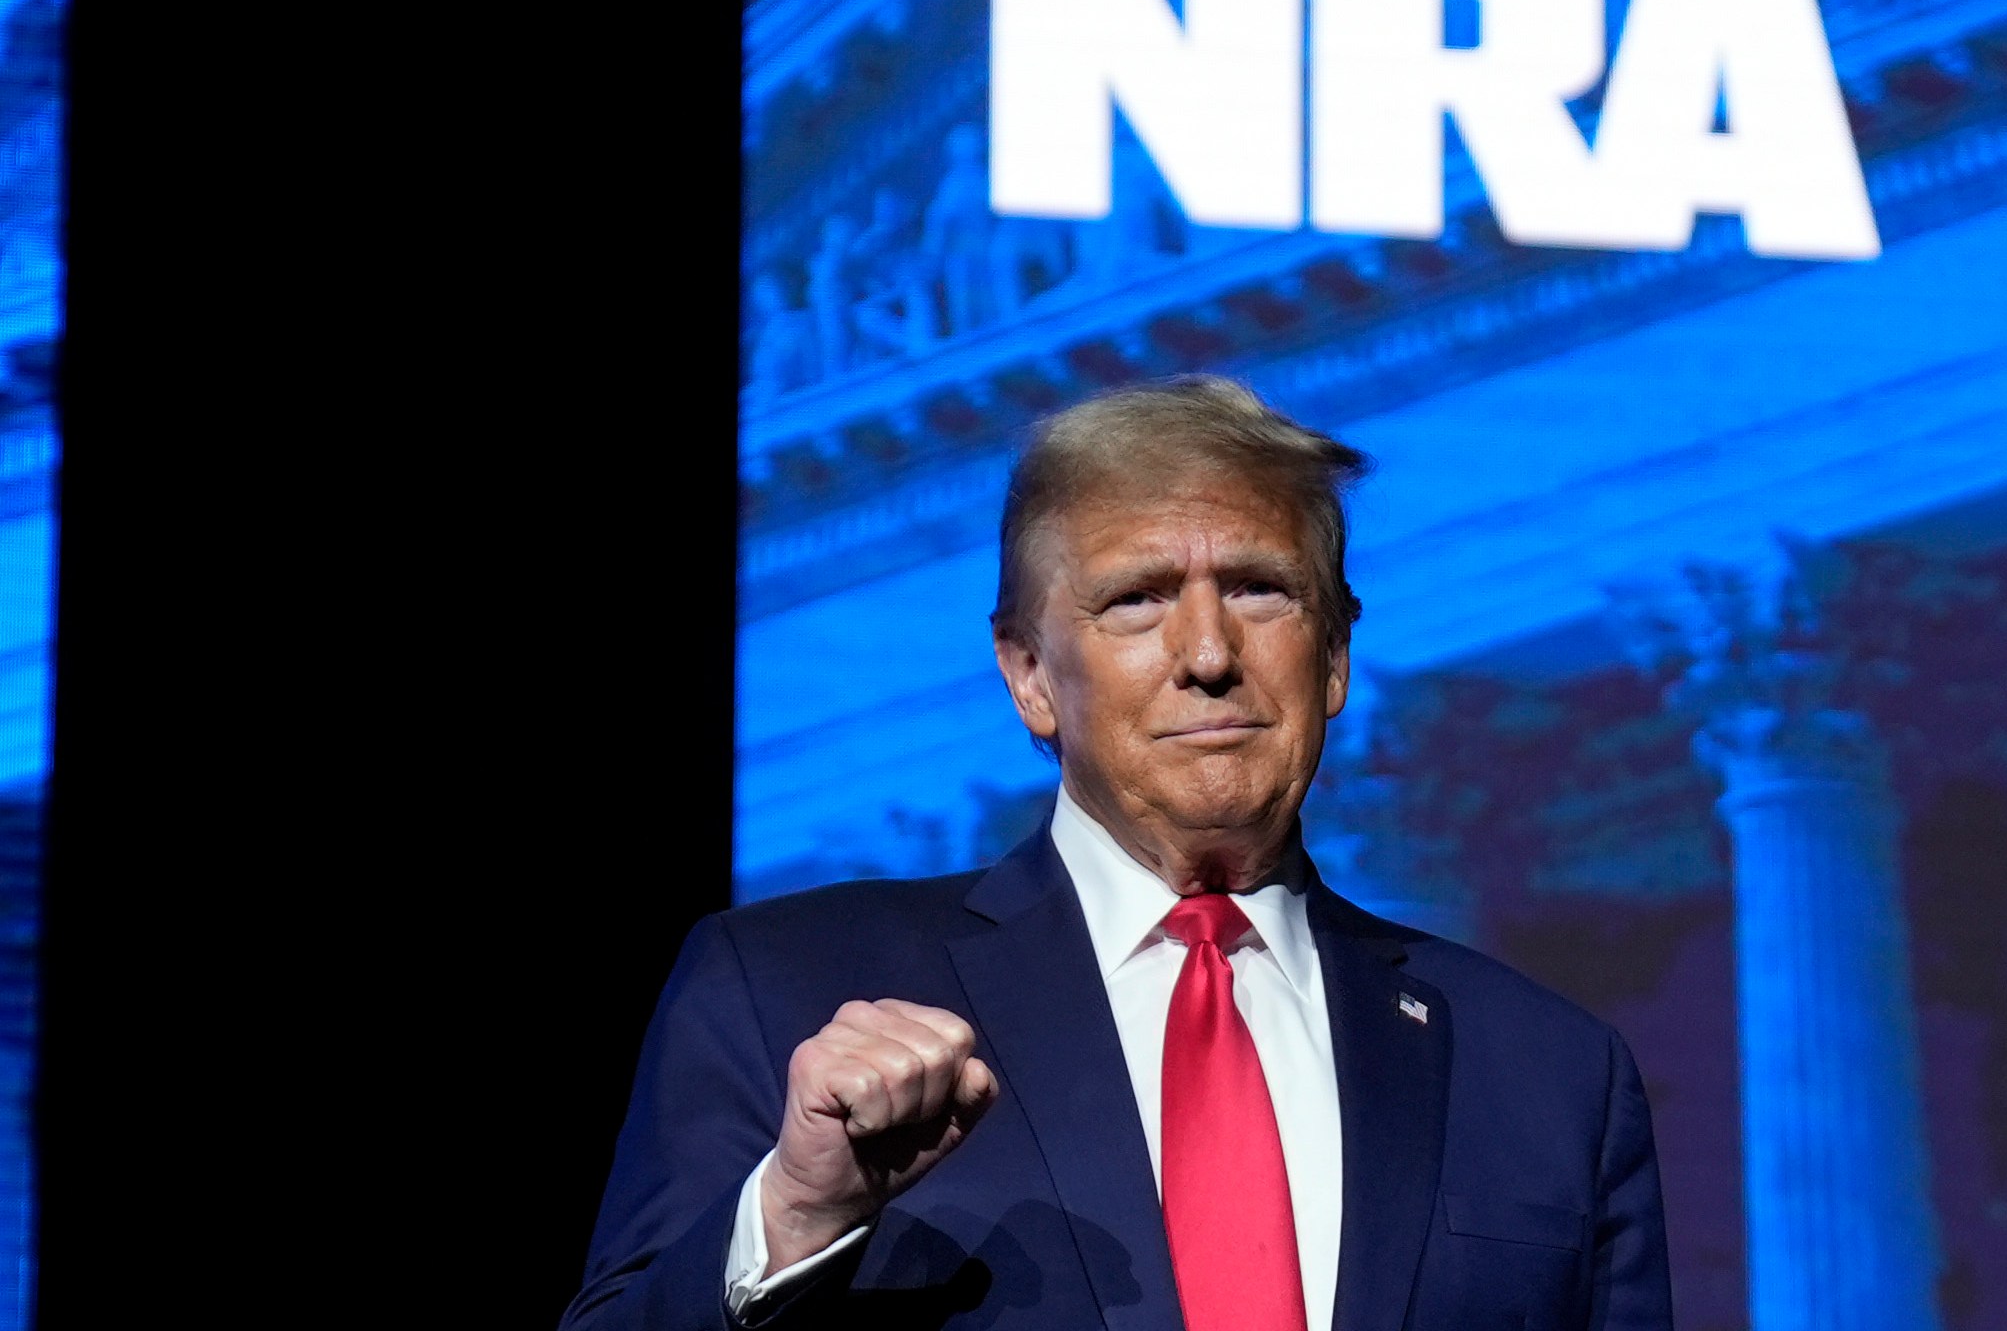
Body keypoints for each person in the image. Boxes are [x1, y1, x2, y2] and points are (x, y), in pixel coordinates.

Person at [562, 377, 1673, 1331]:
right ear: (1031, 676)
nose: (1207, 653)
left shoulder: (1549, 1071)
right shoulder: (780, 989)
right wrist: (797, 1212)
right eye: (1137, 600)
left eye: (1258, 589)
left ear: (1333, 655)